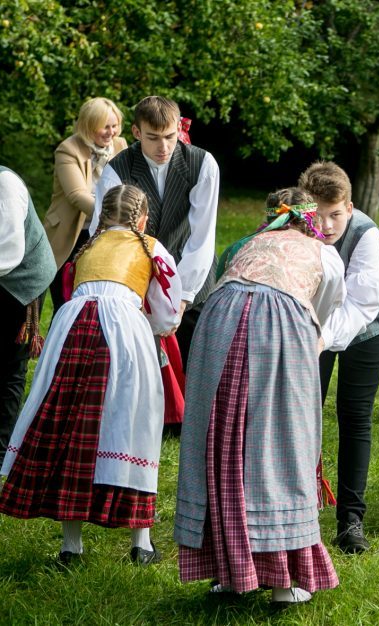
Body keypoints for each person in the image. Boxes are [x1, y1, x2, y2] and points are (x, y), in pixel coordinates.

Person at [174, 188, 346, 607]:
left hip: (218, 321)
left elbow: (222, 281)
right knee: (281, 441)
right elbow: (321, 309)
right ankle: (285, 583)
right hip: (281, 326)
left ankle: (230, 571)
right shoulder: (323, 254)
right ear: (310, 222)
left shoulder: (246, 244)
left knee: (223, 439)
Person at [0, 184, 181, 565]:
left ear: (102, 217)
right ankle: (141, 544)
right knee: (131, 424)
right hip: (124, 333)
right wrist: (156, 326)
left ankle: (71, 547)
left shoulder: (86, 247)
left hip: (73, 329)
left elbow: (71, 288)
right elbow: (167, 315)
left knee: (69, 427)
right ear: (144, 219)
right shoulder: (151, 248)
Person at [298, 162, 379, 555]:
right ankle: (299, 510)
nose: (327, 224)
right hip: (314, 324)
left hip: (368, 324)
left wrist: (322, 339)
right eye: (318, 214)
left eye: (336, 214)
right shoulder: (296, 228)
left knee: (354, 415)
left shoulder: (367, 236)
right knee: (305, 411)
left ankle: (350, 519)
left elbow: (360, 304)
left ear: (350, 207)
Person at [92, 95, 219, 369]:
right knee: (139, 367)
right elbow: (104, 235)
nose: (164, 147)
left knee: (193, 365)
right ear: (137, 133)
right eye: (153, 138)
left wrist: (182, 296)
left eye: (170, 136)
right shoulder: (117, 169)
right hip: (137, 279)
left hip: (194, 281)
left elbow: (202, 236)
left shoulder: (203, 164)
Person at [44, 97, 128, 313]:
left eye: (115, 125)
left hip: (106, 233)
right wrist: (116, 216)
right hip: (70, 234)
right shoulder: (68, 150)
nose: (112, 132)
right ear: (89, 126)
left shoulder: (120, 145)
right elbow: (77, 195)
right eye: (105, 126)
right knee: (65, 304)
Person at [0, 167, 56, 468]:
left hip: (23, 278)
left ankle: (1, 451)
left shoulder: (5, 183)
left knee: (10, 366)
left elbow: (8, 253)